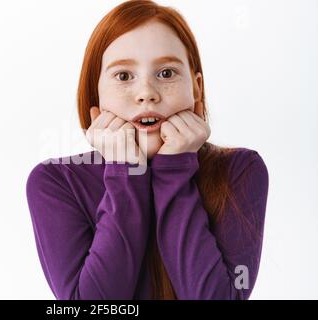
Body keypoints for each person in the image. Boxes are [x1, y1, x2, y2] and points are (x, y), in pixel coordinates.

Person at [26, 0, 269, 300]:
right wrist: (126, 172)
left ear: (196, 89)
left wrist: (174, 172)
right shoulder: (54, 182)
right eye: (124, 76)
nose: (146, 94)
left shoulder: (241, 170)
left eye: (166, 74)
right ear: (96, 96)